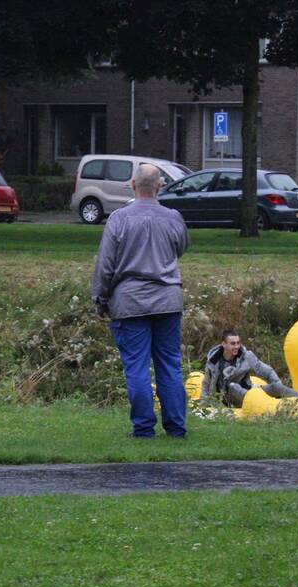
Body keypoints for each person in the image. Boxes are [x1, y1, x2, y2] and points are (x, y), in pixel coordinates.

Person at [91, 163, 189, 438]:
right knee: (169, 364)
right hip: (168, 300)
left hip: (130, 301)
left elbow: (105, 264)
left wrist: (100, 298)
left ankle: (144, 428)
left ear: (132, 185)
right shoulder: (173, 218)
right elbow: (181, 248)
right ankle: (176, 427)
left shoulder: (119, 219)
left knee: (137, 367)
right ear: (160, 186)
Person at [200, 330, 298, 408]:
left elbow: (267, 371)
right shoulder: (213, 361)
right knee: (233, 386)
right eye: (233, 343)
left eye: (238, 343)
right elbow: (206, 383)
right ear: (224, 344)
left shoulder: (246, 356)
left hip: (248, 391)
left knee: (277, 387)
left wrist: (277, 383)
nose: (237, 346)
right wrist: (203, 404)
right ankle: (255, 402)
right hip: (226, 398)